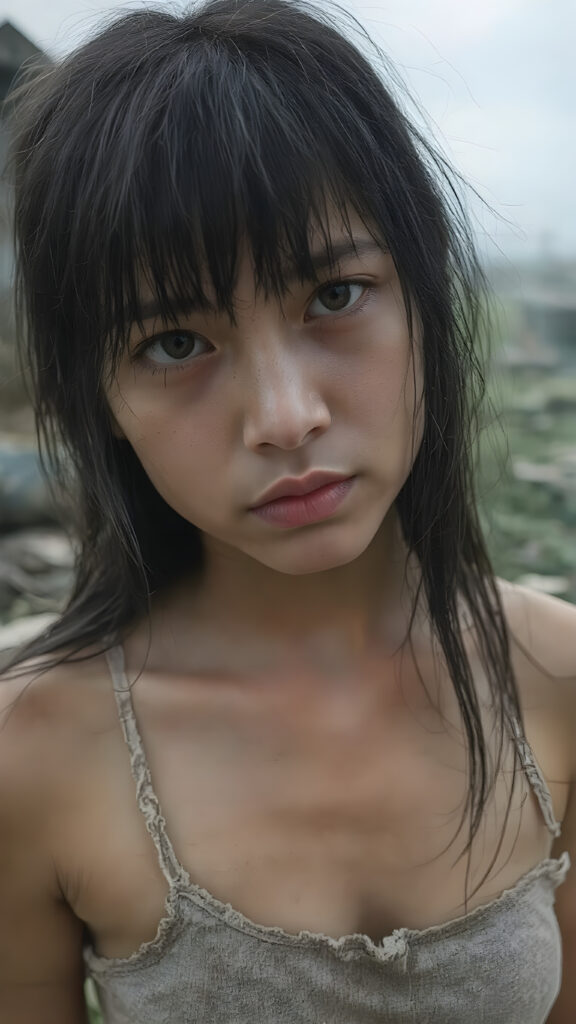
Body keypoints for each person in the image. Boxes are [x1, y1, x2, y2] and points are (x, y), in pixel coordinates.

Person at [0, 0, 575, 1021]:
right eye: (174, 343)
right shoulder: (35, 749)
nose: (284, 415)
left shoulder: (555, 678)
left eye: (336, 294)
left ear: (425, 297)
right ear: (102, 400)